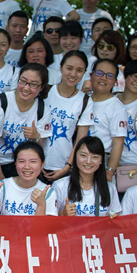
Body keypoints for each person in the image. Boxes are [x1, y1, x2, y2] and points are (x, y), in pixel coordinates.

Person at [0, 63, 52, 180]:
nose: (26, 88)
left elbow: (39, 149)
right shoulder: (2, 101)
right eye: (23, 81)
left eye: (33, 84)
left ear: (41, 87)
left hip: (23, 165)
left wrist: (36, 137)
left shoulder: (43, 110)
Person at [42, 51, 94, 181]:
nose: (73, 74)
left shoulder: (85, 101)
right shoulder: (45, 91)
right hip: (36, 163)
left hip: (63, 166)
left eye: (79, 70)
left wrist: (67, 167)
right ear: (61, 68)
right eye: (69, 68)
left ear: (84, 73)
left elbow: (80, 140)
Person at [53, 136, 121, 217]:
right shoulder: (60, 186)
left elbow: (116, 217)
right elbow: (50, 220)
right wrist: (63, 214)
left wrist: (112, 218)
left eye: (95, 157)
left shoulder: (110, 188)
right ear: (75, 156)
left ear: (101, 160)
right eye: (83, 155)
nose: (88, 161)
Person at [0, 141, 56, 216]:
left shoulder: (48, 192)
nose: (27, 167)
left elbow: (48, 223)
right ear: (15, 163)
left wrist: (41, 205)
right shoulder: (1, 187)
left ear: (42, 164)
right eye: (21, 161)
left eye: (33, 161)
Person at [88, 59, 127, 182]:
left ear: (115, 81)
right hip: (78, 158)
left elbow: (118, 144)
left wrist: (109, 171)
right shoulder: (83, 100)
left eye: (110, 75)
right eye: (99, 73)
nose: (104, 78)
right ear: (91, 75)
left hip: (101, 161)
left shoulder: (117, 107)